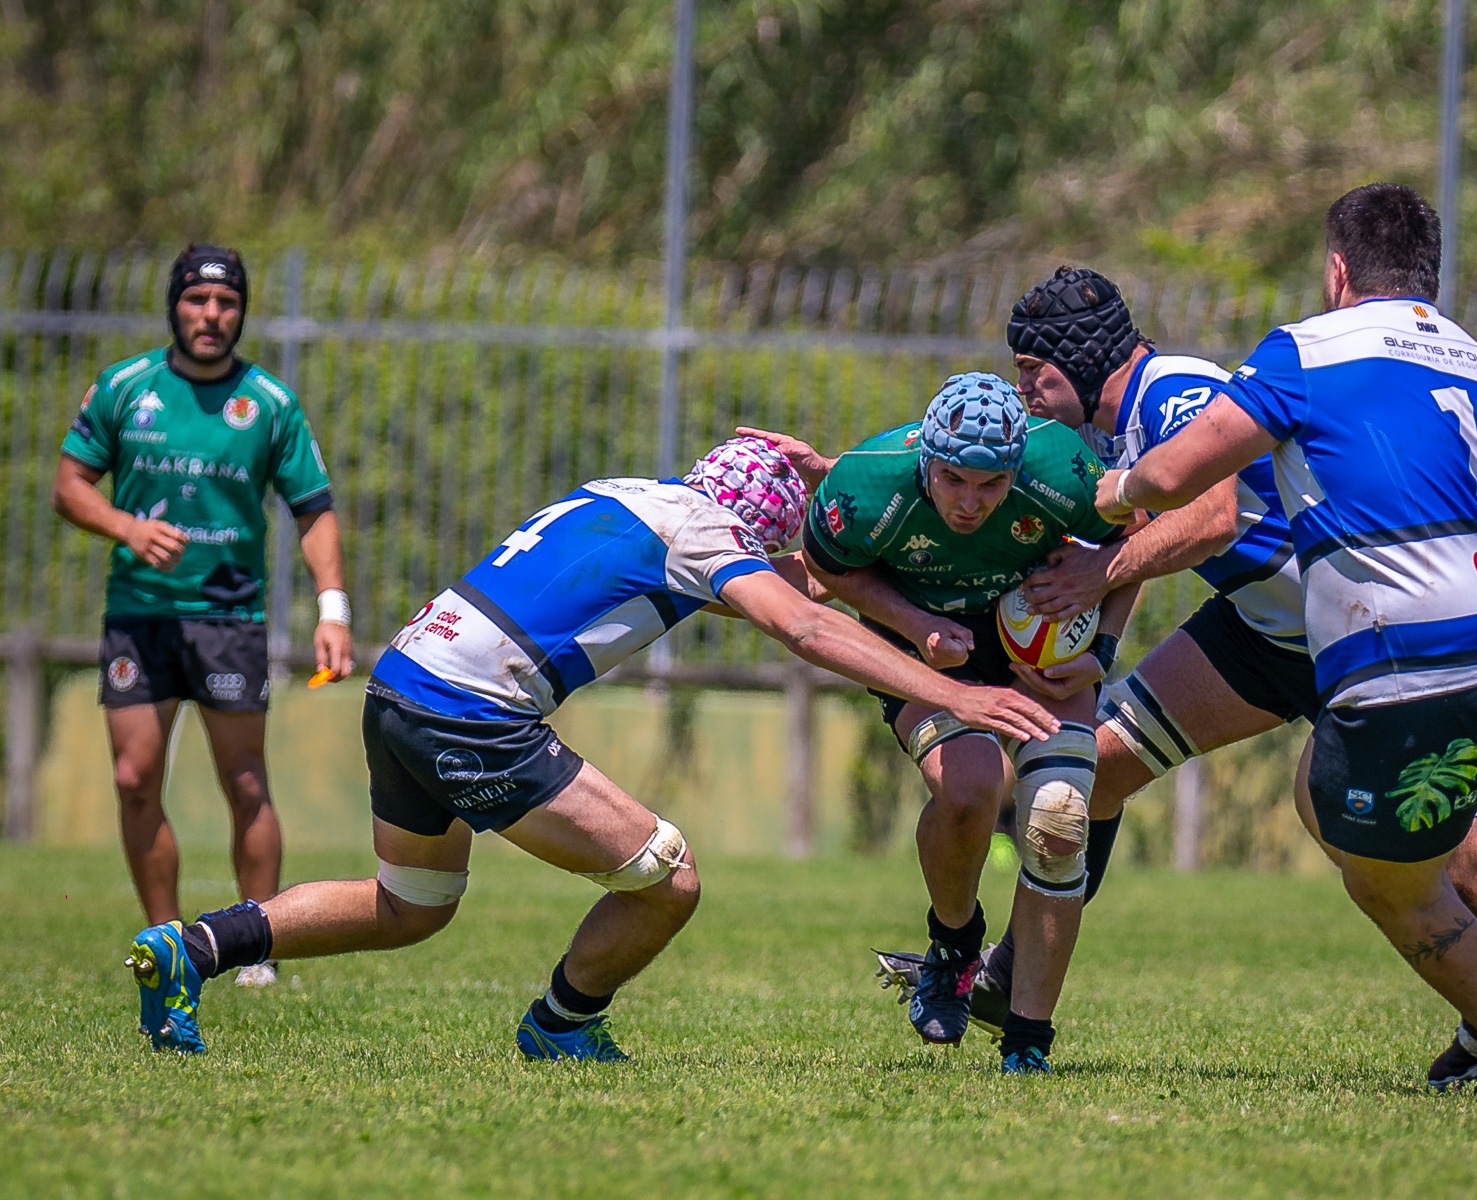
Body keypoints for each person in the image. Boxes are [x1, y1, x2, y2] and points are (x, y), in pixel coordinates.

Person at [782, 266, 1477, 1088]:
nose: (1024, 394)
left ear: (1075, 362)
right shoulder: (1096, 442)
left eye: (1034, 374)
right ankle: (1005, 980)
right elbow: (1100, 528)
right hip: (1263, 633)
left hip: (1345, 631)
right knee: (1099, 770)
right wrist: (879, 482)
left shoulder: (1175, 387)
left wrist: (1102, 577)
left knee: (1454, 856)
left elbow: (1216, 514)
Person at [124, 437, 1061, 1059]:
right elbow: (806, 627)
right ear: (758, 529)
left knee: (410, 906)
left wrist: (824, 473)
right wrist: (957, 692)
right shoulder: (706, 536)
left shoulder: (628, 493)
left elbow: (797, 576)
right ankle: (561, 1027)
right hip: (473, 713)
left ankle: (191, 947)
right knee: (669, 876)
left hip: (400, 684)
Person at [1089, 183, 1477, 1096]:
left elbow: (1181, 473)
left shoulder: (1307, 348)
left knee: (1374, 862)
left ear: (1339, 270)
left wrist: (1107, 497)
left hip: (1400, 656)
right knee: (1457, 848)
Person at [798, 373, 1136, 1075]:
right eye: (954, 481)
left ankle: (1027, 1042)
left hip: (1044, 644)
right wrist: (917, 623)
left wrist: (1099, 649)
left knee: (1059, 817)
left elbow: (1132, 547)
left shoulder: (1063, 467)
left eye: (991, 486)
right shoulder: (865, 485)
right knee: (970, 790)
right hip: (921, 649)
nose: (971, 502)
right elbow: (827, 572)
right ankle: (952, 946)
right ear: (927, 459)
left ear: (1017, 467)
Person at [55, 245, 353, 988]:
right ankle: (166, 943)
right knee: (134, 777)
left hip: (228, 618)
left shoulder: (270, 404)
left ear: (241, 312)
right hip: (141, 616)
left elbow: (313, 510)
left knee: (245, 783)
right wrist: (126, 527)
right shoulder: (127, 388)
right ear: (175, 306)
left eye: (226, 304)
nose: (211, 317)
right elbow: (69, 486)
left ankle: (258, 948)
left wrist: (333, 609)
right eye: (197, 302)